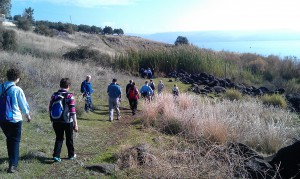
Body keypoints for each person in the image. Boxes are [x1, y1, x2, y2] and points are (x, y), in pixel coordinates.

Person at [0, 68, 31, 173]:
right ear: (17, 78)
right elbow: (23, 105)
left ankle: (11, 160)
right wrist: (28, 116)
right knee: (15, 141)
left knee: (9, 139)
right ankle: (13, 165)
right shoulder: (17, 89)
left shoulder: (1, 87)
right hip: (15, 119)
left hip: (2, 119)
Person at [49, 78, 78, 163]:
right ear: (68, 86)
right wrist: (76, 124)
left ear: (60, 85)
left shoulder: (54, 95)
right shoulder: (70, 96)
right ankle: (71, 155)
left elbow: (50, 107)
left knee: (59, 138)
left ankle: (56, 156)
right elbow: (73, 111)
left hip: (56, 120)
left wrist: (52, 120)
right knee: (69, 138)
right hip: (67, 121)